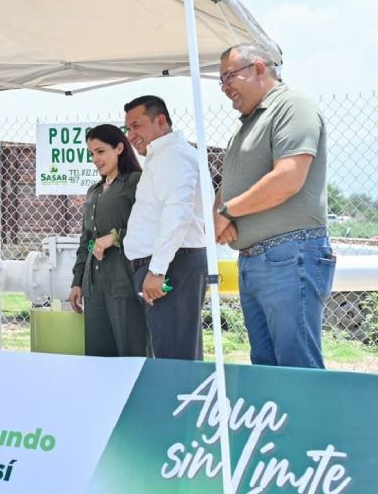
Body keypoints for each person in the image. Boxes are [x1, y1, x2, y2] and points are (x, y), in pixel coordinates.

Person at [214, 42, 334, 369]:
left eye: (229, 76)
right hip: (258, 259)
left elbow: (288, 178)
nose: (224, 88)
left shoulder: (293, 107)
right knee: (266, 368)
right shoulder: (249, 122)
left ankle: (309, 423)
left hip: (289, 254)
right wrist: (219, 213)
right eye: (220, 80)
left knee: (297, 367)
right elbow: (231, 182)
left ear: (258, 69)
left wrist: (227, 212)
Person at [123, 96, 208, 361]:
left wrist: (157, 269)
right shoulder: (161, 155)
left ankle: (181, 402)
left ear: (160, 121)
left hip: (172, 266)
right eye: (128, 129)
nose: (131, 135)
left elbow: (177, 214)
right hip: (168, 264)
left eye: (136, 126)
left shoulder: (174, 156)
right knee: (173, 351)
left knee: (175, 358)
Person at [66, 124, 149, 358]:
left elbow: (151, 224)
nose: (95, 159)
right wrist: (77, 282)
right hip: (94, 284)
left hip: (126, 278)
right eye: (91, 153)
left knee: (131, 350)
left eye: (101, 151)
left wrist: (115, 237)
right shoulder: (94, 191)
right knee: (98, 355)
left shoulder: (136, 182)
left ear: (119, 148)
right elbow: (88, 240)